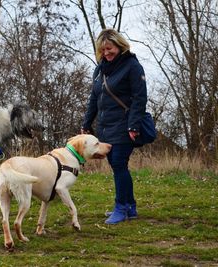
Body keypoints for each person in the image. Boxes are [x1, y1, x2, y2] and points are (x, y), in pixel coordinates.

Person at [81, 28, 147, 224]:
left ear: (119, 46)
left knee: (118, 163)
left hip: (125, 125)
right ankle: (130, 207)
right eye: (102, 50)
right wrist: (86, 123)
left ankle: (121, 207)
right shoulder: (100, 69)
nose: (106, 53)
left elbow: (139, 97)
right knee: (116, 165)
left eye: (109, 49)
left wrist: (133, 125)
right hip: (105, 127)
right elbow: (94, 97)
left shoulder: (132, 66)